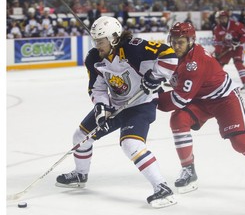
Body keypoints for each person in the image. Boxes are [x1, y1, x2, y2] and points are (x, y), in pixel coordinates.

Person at [55, 16, 178, 208]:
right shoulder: (94, 58)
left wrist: (155, 76)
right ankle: (80, 175)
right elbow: (97, 88)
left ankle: (162, 188)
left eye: (100, 40)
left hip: (141, 103)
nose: (97, 45)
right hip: (116, 105)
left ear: (113, 38)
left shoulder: (134, 47)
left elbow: (169, 55)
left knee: (130, 144)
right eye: (95, 40)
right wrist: (101, 107)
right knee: (81, 136)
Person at [155, 22, 245, 194]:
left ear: (191, 41)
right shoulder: (175, 55)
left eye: (181, 42)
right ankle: (188, 170)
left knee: (240, 142)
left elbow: (178, 99)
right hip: (200, 99)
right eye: (174, 41)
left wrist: (153, 98)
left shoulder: (194, 64)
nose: (176, 46)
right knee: (178, 119)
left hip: (224, 100)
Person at [213, 11, 245, 90]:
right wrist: (217, 52)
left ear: (228, 18)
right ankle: (215, 83)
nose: (222, 20)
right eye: (221, 18)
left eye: (224, 18)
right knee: (218, 64)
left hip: (239, 47)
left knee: (238, 62)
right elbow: (218, 42)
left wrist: (239, 41)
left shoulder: (236, 25)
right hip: (227, 48)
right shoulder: (217, 29)